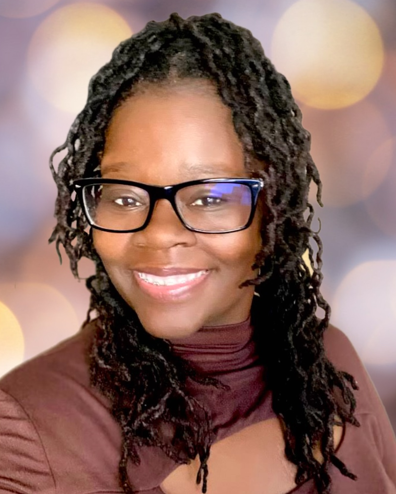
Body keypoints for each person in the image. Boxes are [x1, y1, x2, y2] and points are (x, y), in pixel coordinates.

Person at [0, 12, 395, 494]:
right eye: (124, 197)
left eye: (208, 197)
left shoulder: (330, 362)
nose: (160, 234)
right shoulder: (29, 428)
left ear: (275, 203)